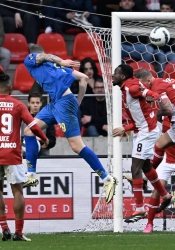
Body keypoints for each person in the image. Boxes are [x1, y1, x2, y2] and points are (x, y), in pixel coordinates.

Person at [23, 44, 117, 204]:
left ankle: (107, 178)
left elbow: (43, 56)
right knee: (29, 130)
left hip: (63, 103)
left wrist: (61, 61)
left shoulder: (32, 60)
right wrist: (78, 102)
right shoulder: (53, 66)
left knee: (76, 146)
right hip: (57, 103)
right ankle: (31, 175)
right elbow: (84, 78)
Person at [0, 70, 49, 241]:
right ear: (10, 87)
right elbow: (32, 124)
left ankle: (4, 229)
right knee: (17, 191)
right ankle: (18, 232)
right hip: (12, 153)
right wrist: (44, 138)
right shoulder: (17, 104)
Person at [112, 64, 175, 223]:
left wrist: (157, 97)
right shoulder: (128, 87)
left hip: (147, 132)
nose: (112, 76)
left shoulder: (132, 88)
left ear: (122, 77)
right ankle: (165, 195)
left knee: (135, 168)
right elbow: (139, 119)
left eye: (115, 74)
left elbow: (152, 94)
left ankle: (139, 209)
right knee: (146, 166)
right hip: (143, 130)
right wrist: (125, 128)